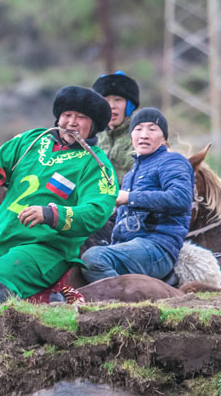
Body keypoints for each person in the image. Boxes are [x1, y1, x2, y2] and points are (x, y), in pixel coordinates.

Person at [0, 86, 118, 304]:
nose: (72, 122)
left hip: (44, 252)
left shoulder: (97, 165)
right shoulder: (31, 140)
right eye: (67, 115)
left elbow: (97, 212)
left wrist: (51, 214)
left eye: (81, 118)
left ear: (93, 125)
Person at [80, 108, 193, 283]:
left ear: (164, 138)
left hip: (157, 247)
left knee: (94, 258)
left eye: (152, 129)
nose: (144, 135)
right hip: (128, 246)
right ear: (131, 135)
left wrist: (129, 197)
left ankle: (121, 298)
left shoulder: (173, 160)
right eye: (138, 129)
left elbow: (180, 198)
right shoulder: (132, 173)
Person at [91, 70, 141, 180]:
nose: (112, 106)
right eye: (105, 100)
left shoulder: (141, 135)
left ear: (129, 105)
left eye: (118, 100)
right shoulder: (92, 136)